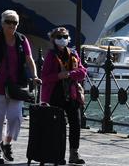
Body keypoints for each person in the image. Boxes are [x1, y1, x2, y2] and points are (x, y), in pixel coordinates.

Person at [0, 10, 41, 164]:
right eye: (8, 21)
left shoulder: (22, 39)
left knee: (15, 117)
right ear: (2, 23)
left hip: (16, 86)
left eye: (15, 22)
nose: (12, 25)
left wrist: (34, 75)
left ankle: (6, 143)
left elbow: (29, 59)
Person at [41, 27, 87, 165]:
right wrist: (58, 76)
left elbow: (83, 72)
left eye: (65, 36)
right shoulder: (51, 56)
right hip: (56, 94)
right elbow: (45, 77)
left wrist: (70, 74)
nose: (63, 39)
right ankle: (58, 155)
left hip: (72, 95)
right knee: (58, 126)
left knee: (76, 124)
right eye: (60, 37)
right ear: (54, 39)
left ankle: (74, 153)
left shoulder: (73, 53)